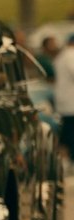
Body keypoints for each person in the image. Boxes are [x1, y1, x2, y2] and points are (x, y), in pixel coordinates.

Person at [53, 34, 74, 162]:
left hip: (64, 100)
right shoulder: (71, 55)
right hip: (71, 102)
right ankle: (67, 160)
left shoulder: (61, 55)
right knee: (70, 133)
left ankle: (64, 160)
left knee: (67, 131)